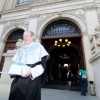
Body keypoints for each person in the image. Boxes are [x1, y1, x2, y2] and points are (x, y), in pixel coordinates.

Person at [8, 30, 50, 100]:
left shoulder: (39, 47)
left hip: (31, 80)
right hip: (18, 80)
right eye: (24, 36)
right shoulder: (21, 49)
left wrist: (30, 72)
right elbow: (16, 64)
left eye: (27, 36)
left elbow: (42, 66)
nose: (25, 38)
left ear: (32, 37)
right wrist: (12, 72)